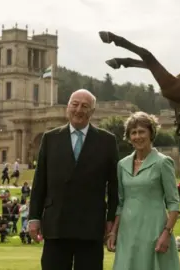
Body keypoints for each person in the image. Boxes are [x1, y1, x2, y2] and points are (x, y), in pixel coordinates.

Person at [28, 89, 119, 270]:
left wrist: (111, 220)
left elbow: (114, 186)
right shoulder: (50, 138)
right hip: (56, 224)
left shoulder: (107, 141)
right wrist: (34, 218)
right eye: (75, 104)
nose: (79, 110)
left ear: (92, 112)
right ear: (67, 108)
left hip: (91, 225)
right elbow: (39, 183)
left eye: (85, 106)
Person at [107, 112, 180, 270]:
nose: (137, 136)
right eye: (133, 132)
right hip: (127, 231)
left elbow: (174, 204)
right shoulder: (122, 165)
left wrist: (166, 233)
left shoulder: (163, 163)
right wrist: (113, 232)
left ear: (151, 133)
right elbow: (120, 203)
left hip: (154, 230)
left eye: (142, 131)